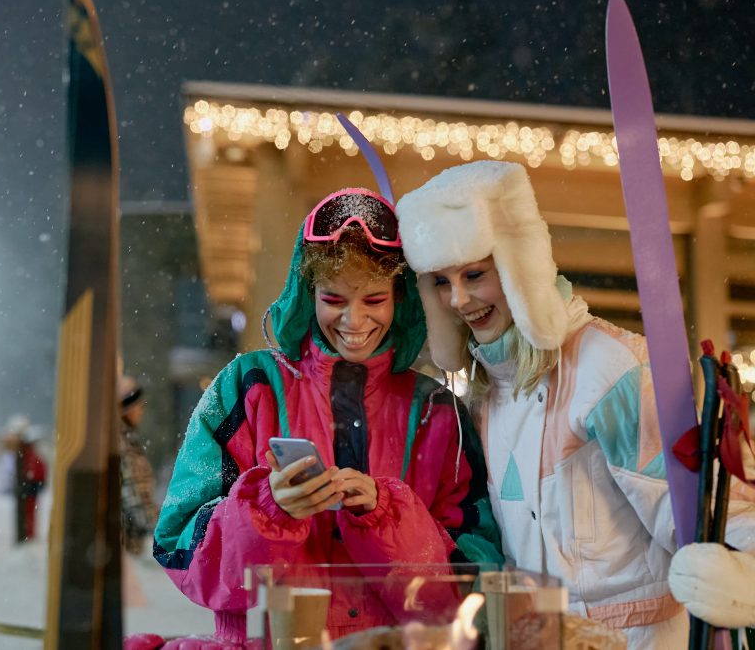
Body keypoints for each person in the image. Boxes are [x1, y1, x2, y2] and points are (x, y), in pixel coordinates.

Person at [395, 160, 755, 649]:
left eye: (474, 274)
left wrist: (739, 568)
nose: (458, 299)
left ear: (517, 264)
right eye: (440, 281)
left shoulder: (605, 366)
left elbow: (694, 506)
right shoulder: (488, 389)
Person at [150, 187, 500, 647]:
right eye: (334, 299)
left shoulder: (439, 415)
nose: (354, 322)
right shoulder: (247, 387)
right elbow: (181, 556)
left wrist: (386, 517)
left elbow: (467, 597)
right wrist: (265, 513)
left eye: (374, 300)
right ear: (307, 291)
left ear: (401, 299)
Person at [118, 375, 159, 556]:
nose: (141, 412)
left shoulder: (125, 441)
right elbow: (136, 497)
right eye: (138, 407)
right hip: (125, 539)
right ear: (126, 408)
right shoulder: (123, 445)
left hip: (125, 536)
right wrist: (163, 529)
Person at [7, 419, 47, 543]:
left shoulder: (30, 457)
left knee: (29, 513)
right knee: (30, 513)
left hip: (30, 487)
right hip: (30, 487)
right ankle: (29, 535)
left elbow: (36, 471)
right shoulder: (32, 456)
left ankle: (29, 535)